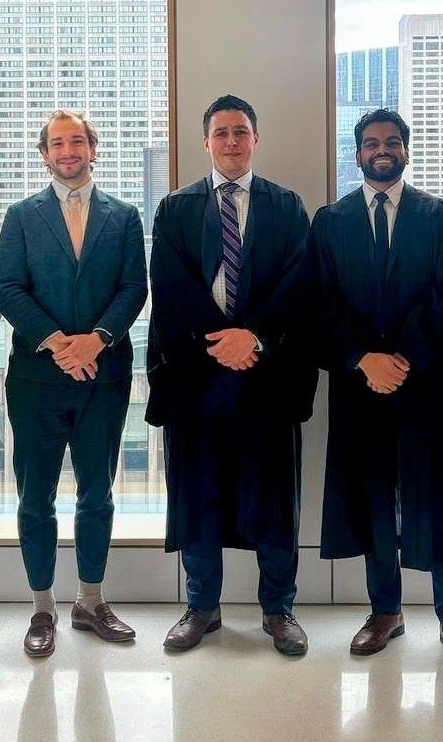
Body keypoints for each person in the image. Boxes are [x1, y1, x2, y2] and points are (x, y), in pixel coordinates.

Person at [312, 108, 443, 669]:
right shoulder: (330, 221)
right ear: (357, 153)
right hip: (361, 385)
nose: (380, 150)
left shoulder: (441, 217)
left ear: (406, 151)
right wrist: (365, 357)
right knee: (373, 495)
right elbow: (320, 303)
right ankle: (385, 609)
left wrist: (404, 357)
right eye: (369, 143)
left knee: (436, 496)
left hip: (425, 383)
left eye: (390, 142)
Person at [147, 94, 317, 655]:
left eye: (240, 132)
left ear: (255, 139)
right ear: (206, 142)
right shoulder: (175, 208)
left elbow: (299, 285)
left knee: (273, 496)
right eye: (220, 133)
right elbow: (169, 290)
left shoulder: (287, 206)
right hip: (198, 378)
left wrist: (256, 338)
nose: (231, 142)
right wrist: (221, 342)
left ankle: (279, 609)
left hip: (268, 376)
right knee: (199, 494)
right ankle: (201, 607)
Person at [0, 109, 147, 658]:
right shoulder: (20, 216)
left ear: (93, 148)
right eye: (57, 143)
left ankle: (91, 601)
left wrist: (96, 340)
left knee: (97, 492)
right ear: (44, 153)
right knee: (35, 496)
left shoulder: (124, 215)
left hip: (103, 375)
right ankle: (42, 608)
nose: (68, 150)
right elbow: (7, 288)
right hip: (38, 377)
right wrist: (61, 344)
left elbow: (134, 287)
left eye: (77, 141)